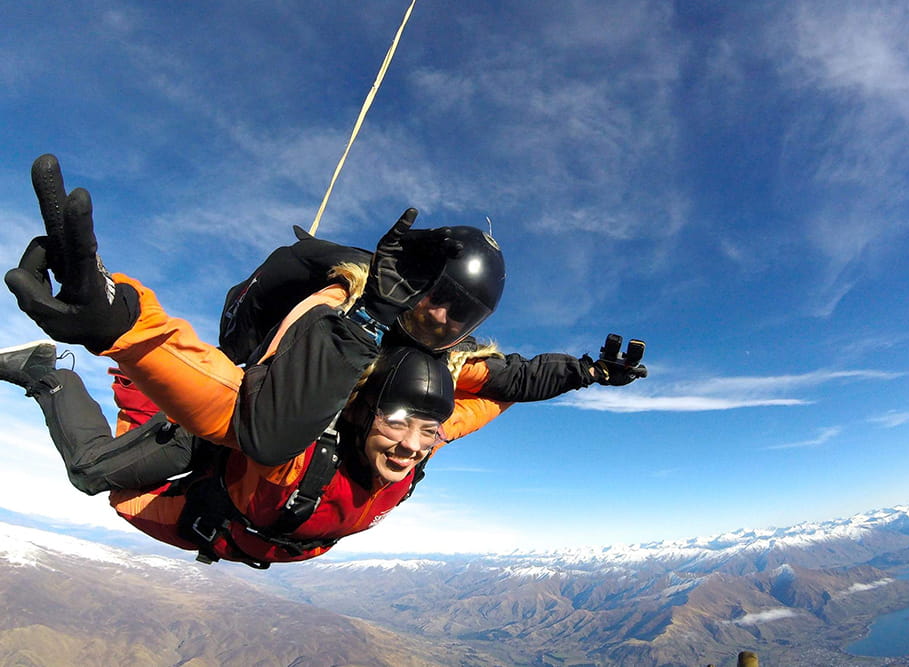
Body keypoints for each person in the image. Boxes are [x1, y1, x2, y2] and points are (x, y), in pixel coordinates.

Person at [2, 154, 647, 566]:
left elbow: (510, 383)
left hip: (263, 504)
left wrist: (587, 370)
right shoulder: (341, 306)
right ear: (414, 279)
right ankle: (47, 372)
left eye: (466, 314)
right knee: (98, 475)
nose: (446, 320)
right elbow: (248, 417)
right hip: (254, 417)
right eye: (442, 298)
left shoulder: (440, 376)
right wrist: (119, 320)